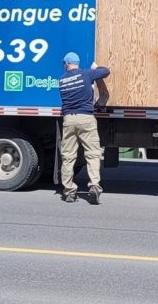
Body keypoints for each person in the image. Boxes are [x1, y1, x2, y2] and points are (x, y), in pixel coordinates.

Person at [58, 51, 110, 204]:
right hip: (86, 118)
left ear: (67, 63)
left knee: (68, 156)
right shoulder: (86, 74)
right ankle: (94, 186)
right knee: (92, 154)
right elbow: (106, 71)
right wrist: (95, 68)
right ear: (77, 63)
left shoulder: (61, 80)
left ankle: (69, 191)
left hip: (69, 119)